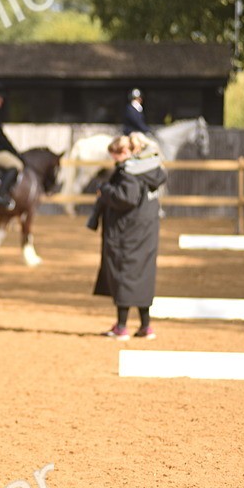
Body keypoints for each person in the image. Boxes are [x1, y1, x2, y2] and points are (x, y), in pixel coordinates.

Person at [93, 133, 167, 340]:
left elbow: (127, 198)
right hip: (147, 231)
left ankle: (122, 326)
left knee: (123, 275)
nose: (113, 160)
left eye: (114, 156)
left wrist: (106, 190)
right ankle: (146, 326)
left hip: (127, 232)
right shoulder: (151, 168)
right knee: (143, 276)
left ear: (125, 152)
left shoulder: (130, 172)